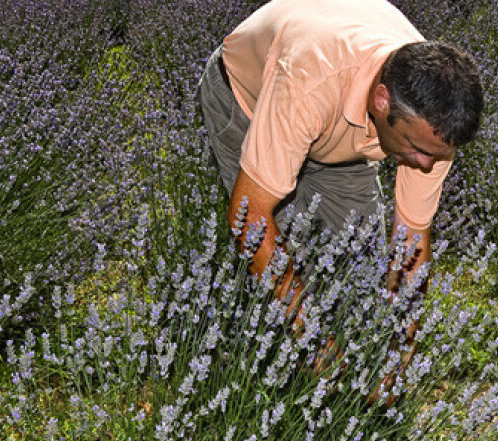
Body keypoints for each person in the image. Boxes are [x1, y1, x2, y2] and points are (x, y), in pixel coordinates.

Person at [196, 0, 483, 391]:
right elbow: (250, 218)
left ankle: (350, 383)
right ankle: (252, 369)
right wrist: (310, 334)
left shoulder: (433, 130)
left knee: (356, 267)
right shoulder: (308, 80)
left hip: (344, 122)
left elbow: (411, 242)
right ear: (382, 101)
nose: (426, 165)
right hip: (249, 98)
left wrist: (400, 351)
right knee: (271, 254)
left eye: (437, 156)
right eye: (417, 151)